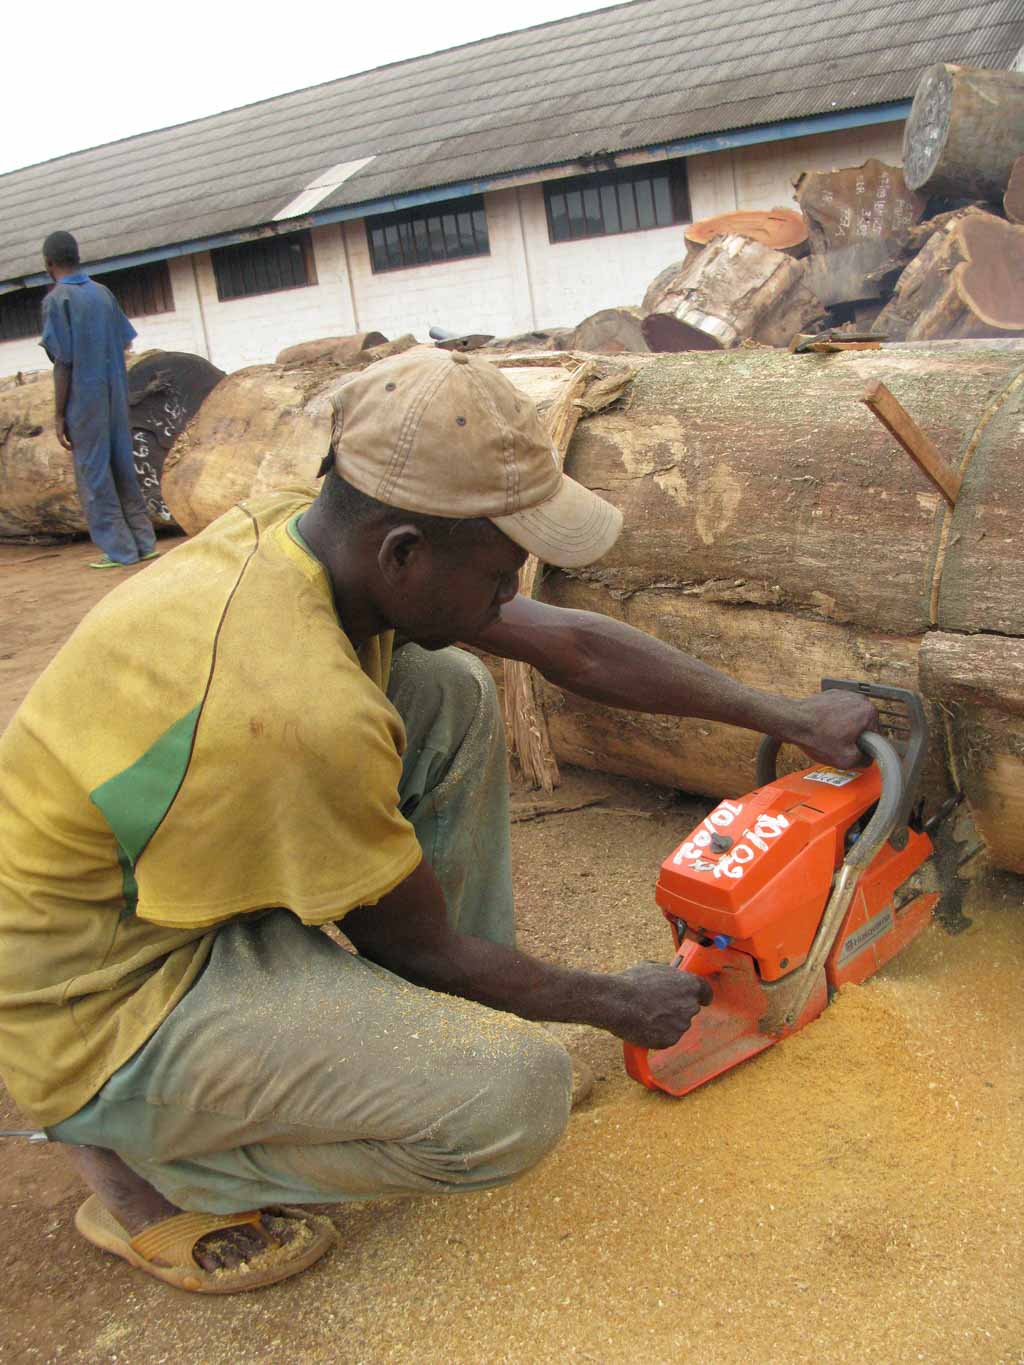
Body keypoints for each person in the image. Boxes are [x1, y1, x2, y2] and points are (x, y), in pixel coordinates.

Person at [0, 348, 876, 1294]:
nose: (510, 595)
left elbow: (574, 647)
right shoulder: (302, 711)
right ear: (404, 552)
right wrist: (616, 1002)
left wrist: (786, 716)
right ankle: (139, 1164)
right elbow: (421, 949)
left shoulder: (314, 535)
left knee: (449, 687)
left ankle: (454, 1026)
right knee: (514, 1099)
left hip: (158, 881)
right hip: (99, 996)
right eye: (502, 573)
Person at [40, 230, 158, 569]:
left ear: (49, 264)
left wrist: (59, 414)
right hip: (115, 392)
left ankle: (120, 550)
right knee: (123, 467)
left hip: (83, 398)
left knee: (94, 474)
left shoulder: (57, 300)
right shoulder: (103, 293)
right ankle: (143, 542)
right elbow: (124, 341)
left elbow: (63, 362)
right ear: (77, 258)